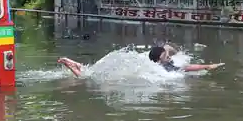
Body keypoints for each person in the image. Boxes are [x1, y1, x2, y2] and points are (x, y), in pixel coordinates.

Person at [58, 44, 224, 77]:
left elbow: (166, 47)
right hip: (109, 74)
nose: (168, 56)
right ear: (159, 60)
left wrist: (174, 51)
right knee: (84, 77)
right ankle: (67, 63)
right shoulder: (164, 69)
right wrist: (208, 66)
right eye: (165, 56)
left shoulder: (160, 62)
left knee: (90, 70)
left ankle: (70, 61)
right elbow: (189, 68)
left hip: (108, 70)